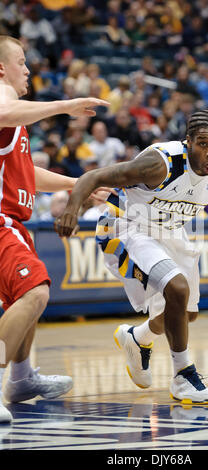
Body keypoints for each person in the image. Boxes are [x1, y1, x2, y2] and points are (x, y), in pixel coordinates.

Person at [55, 108, 208, 405]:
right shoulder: (159, 163)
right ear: (188, 141)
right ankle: (183, 375)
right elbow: (94, 176)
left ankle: (138, 338)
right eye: (203, 144)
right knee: (177, 288)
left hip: (170, 233)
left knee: (184, 313)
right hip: (129, 228)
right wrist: (71, 210)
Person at [0, 35, 109, 423]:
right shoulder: (2, 96)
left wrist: (77, 184)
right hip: (0, 221)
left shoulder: (13, 112)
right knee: (36, 290)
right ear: (1, 69)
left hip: (11, 220)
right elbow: (3, 113)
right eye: (21, 61)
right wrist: (66, 106)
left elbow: (25, 173)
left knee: (22, 297)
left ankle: (22, 378)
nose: (28, 69)